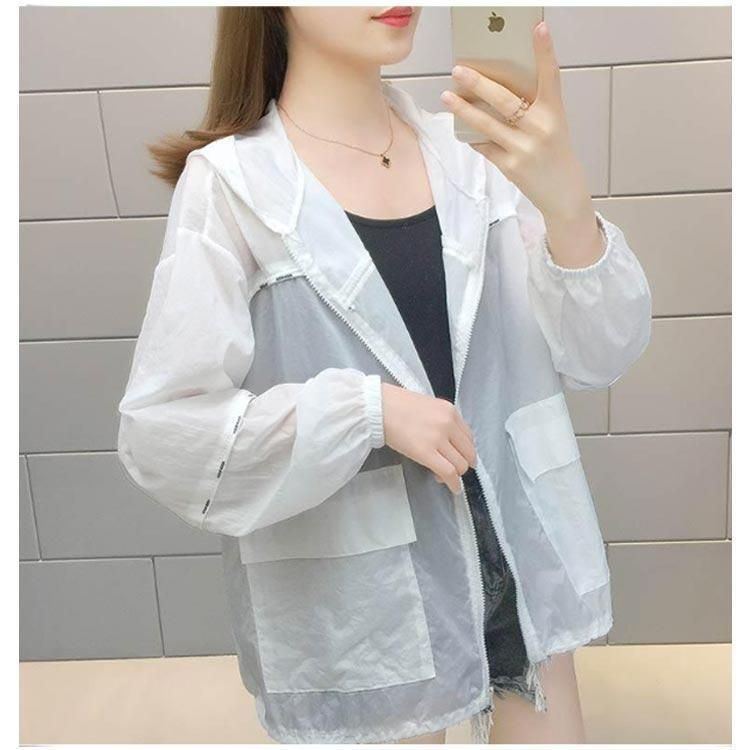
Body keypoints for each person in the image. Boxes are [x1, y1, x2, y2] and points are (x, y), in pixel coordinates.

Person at [117, 6, 652, 744]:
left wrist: (568, 203)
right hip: (371, 606)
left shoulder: (471, 157)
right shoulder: (233, 186)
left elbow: (601, 354)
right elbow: (164, 433)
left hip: (520, 563)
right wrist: (363, 412)